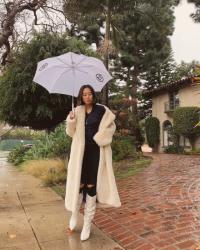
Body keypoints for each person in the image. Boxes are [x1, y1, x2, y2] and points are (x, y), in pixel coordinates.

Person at [65, 84, 121, 241]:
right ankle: (75, 216)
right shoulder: (77, 111)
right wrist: (71, 120)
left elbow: (111, 127)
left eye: (89, 94)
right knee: (79, 185)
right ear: (81, 97)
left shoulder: (102, 110)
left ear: (93, 95)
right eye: (84, 94)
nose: (87, 96)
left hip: (96, 153)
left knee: (91, 187)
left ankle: (87, 224)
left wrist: (99, 138)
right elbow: (71, 133)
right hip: (79, 155)